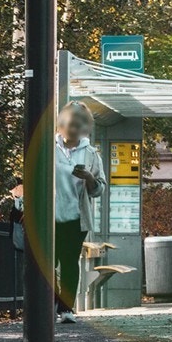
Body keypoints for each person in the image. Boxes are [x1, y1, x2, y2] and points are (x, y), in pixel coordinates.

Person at [53, 102, 105, 324]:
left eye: (78, 125)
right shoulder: (50, 148)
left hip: (76, 217)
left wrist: (89, 178)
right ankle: (51, 304)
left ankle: (65, 308)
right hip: (51, 216)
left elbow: (100, 188)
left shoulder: (91, 154)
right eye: (69, 123)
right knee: (47, 263)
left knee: (68, 262)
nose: (72, 129)